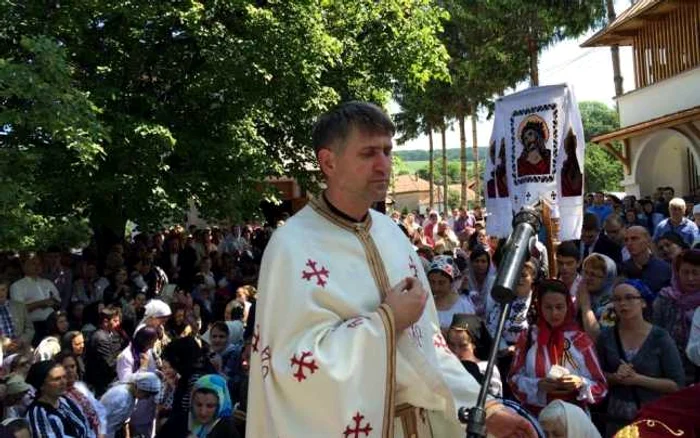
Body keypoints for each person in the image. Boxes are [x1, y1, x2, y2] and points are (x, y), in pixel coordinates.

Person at [246, 102, 536, 437]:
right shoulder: (291, 246)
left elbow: (428, 347)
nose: (384, 165)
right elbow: (292, 368)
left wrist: (484, 408)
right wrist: (387, 321)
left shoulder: (391, 236)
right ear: (328, 161)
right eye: (368, 153)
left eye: (387, 150)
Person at [596, 280, 684, 437]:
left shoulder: (660, 337)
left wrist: (637, 379)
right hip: (615, 421)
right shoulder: (606, 337)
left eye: (629, 298)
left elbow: (676, 384)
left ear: (643, 302)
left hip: (652, 420)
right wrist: (615, 378)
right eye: (617, 299)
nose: (623, 303)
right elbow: (597, 377)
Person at [508, 279, 607, 415]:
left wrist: (580, 383)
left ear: (568, 306)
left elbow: (601, 387)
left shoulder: (580, 339)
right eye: (548, 307)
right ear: (539, 307)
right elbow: (513, 381)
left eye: (559, 307)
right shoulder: (528, 337)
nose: (554, 313)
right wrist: (538, 385)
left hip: (573, 419)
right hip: (536, 419)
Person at [24, 360, 95, 438]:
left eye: (64, 377)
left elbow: (86, 428)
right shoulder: (37, 414)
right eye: (57, 379)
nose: (63, 382)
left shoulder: (66, 401)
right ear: (42, 385)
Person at [158, 374, 241, 438]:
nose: (203, 412)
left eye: (210, 406)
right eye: (198, 405)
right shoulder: (176, 423)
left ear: (220, 406)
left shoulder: (227, 430)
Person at [653, 249, 700, 358]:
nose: (690, 278)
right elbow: (655, 333)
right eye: (685, 272)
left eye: (696, 273)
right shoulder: (665, 298)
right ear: (677, 273)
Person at [10, 254, 61, 345]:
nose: (37, 266)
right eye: (33, 263)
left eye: (39, 264)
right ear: (24, 266)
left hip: (52, 322)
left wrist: (53, 302)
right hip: (33, 325)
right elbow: (18, 311)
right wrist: (41, 303)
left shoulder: (47, 282)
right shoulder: (17, 286)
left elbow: (58, 301)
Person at [56, 351, 107, 438]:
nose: (70, 371)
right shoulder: (58, 397)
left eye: (72, 366)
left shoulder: (80, 387)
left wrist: (102, 433)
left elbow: (99, 409)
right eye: (65, 368)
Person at [99, 371, 161, 438]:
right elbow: (107, 427)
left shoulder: (131, 395)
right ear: (137, 387)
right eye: (146, 395)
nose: (146, 398)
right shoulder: (121, 398)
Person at [578, 253, 618, 340]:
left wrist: (585, 306)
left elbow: (599, 339)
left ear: (607, 278)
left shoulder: (613, 305)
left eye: (593, 275)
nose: (587, 278)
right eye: (585, 272)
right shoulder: (582, 293)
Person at [622, 226, 672, 295]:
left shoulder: (665, 269)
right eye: (626, 240)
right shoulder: (621, 269)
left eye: (634, 239)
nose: (629, 243)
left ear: (648, 241)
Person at [428, 256, 475, 330]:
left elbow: (470, 335)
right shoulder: (426, 304)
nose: (436, 287)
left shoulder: (464, 307)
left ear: (451, 282)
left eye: (441, 283)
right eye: (432, 282)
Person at [84, 307, 123, 396]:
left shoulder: (112, 333)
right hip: (103, 383)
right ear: (106, 321)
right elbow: (110, 364)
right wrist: (123, 358)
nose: (118, 323)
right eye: (115, 321)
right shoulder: (101, 338)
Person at [0, 277, 34, 354]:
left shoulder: (19, 306)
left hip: (20, 348)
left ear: (7, 290)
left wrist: (21, 340)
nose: (1, 293)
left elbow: (30, 328)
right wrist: (2, 342)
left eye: (3, 290)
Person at [460, 248, 495, 318]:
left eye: (483, 261)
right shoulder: (465, 280)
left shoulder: (494, 282)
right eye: (476, 261)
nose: (480, 264)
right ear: (471, 263)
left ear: (488, 264)